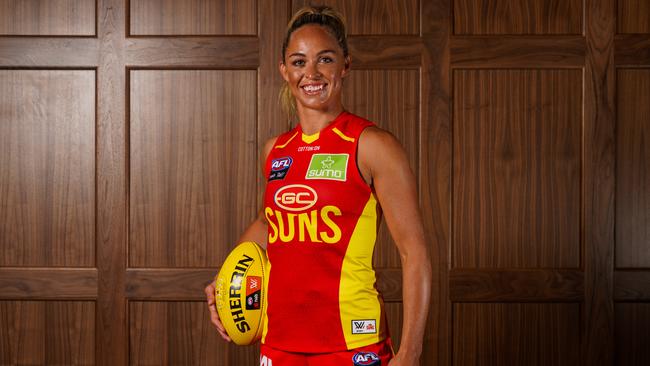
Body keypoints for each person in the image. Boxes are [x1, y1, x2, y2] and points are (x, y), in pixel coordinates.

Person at [205, 6, 431, 366]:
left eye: (324, 59)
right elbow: (269, 223)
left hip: (352, 344)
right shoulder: (275, 151)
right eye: (298, 62)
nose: (311, 73)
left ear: (345, 65)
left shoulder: (372, 145)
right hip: (279, 342)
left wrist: (410, 353)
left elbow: (414, 253)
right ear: (284, 71)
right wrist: (224, 280)